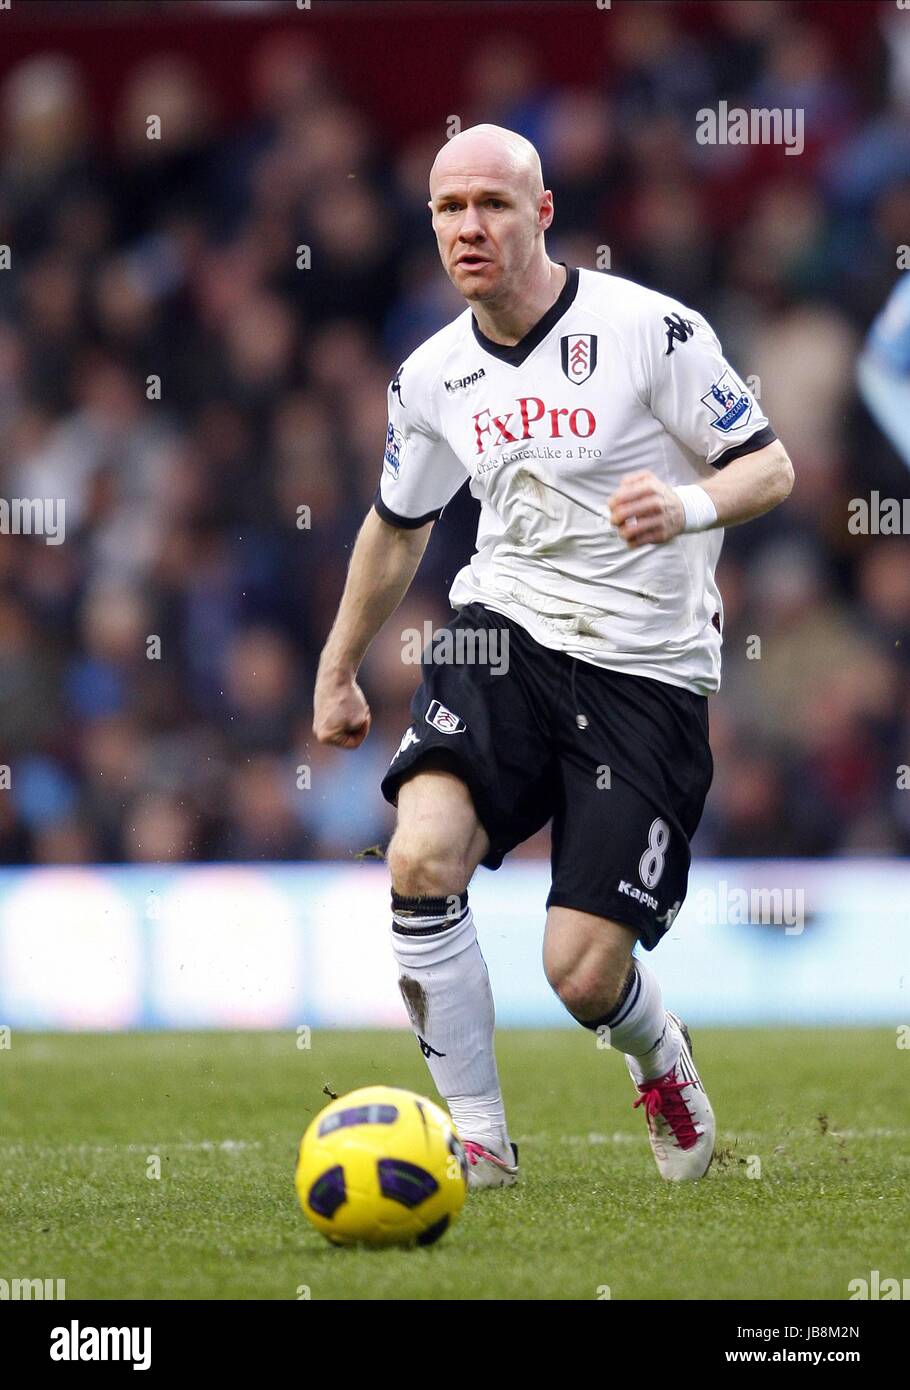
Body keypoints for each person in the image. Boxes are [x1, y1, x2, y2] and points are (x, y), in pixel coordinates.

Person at [313, 124, 793, 1187]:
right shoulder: (432, 375)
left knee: (579, 972)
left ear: (542, 212)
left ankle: (656, 1056)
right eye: (447, 208)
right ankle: (478, 1140)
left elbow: (769, 468)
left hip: (646, 672)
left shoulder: (649, 331)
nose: (468, 226)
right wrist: (338, 664)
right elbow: (398, 525)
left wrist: (681, 504)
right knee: (418, 857)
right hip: (504, 637)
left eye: (491, 202)